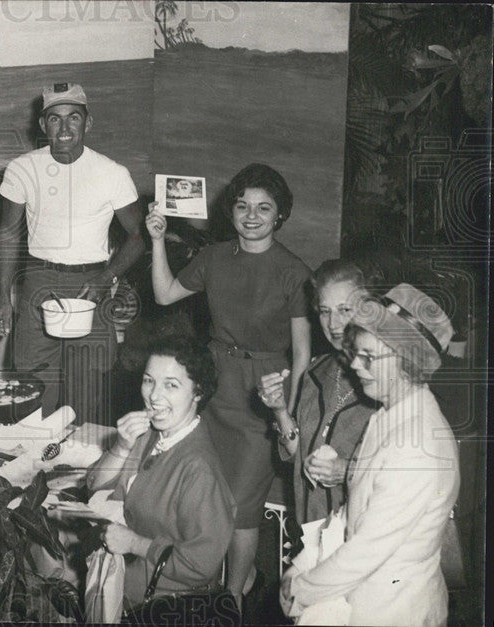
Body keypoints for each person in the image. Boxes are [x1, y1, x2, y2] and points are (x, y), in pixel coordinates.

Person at [146, 163, 312, 608]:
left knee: (241, 506)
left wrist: (287, 416)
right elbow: (163, 294)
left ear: (280, 215)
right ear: (231, 211)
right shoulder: (215, 257)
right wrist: (158, 238)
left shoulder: (293, 271)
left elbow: (301, 356)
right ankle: (220, 579)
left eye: (264, 207)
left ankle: (232, 599)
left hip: (263, 398)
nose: (251, 215)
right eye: (242, 205)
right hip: (214, 387)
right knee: (204, 490)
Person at [280, 284, 460, 626]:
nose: (355, 366)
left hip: (392, 610)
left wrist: (300, 590)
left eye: (369, 357)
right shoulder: (387, 415)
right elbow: (351, 514)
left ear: (408, 361)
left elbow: (366, 551)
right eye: (355, 353)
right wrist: (302, 565)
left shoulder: (416, 446)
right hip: (363, 597)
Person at [0, 82, 144, 424]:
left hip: (92, 284)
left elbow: (139, 235)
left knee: (86, 393)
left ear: (87, 123)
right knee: (32, 389)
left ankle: (75, 473)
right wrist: (3, 297)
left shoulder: (112, 173)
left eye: (73, 118)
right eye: (55, 118)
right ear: (43, 124)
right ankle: (31, 473)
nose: (64, 128)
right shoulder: (21, 168)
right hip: (38, 283)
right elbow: (7, 233)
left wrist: (107, 277)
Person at [85, 337, 235, 601]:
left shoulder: (199, 470)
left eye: (171, 385)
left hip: (164, 603)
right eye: (148, 380)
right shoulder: (150, 434)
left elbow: (200, 566)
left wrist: (134, 543)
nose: (154, 396)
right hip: (124, 583)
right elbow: (93, 484)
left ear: (198, 392)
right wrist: (121, 447)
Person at [258, 260, 378, 524]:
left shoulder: (383, 381)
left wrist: (347, 470)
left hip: (363, 530)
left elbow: (404, 472)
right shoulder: (316, 371)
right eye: (324, 311)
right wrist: (279, 409)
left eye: (344, 309)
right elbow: (297, 454)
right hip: (312, 526)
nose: (333, 323)